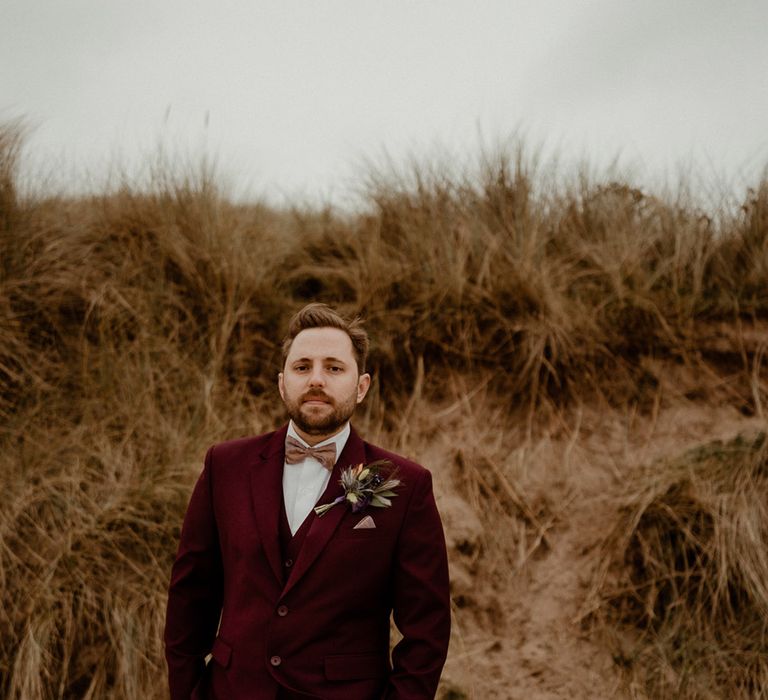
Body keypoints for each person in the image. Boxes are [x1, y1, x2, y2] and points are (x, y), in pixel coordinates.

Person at [164, 303, 451, 700]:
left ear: (361, 385)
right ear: (283, 383)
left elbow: (428, 630)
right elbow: (190, 597)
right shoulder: (224, 466)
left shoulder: (405, 485)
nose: (316, 379)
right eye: (303, 367)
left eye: (334, 368)